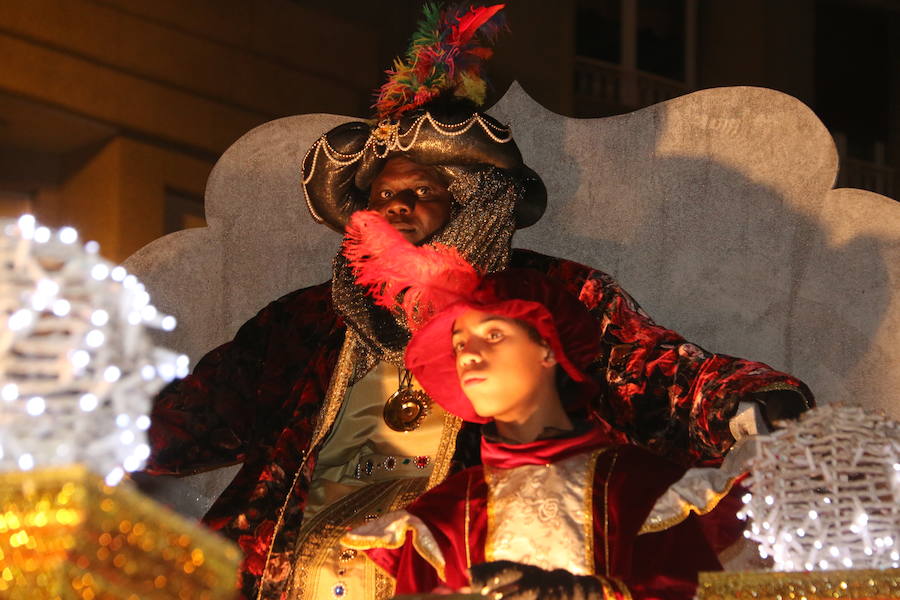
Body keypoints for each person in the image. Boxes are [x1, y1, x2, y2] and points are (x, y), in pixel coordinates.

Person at [144, 4, 812, 599]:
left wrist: (747, 402)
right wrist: (78, 418)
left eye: (425, 191)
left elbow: (657, 372)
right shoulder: (303, 323)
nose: (397, 206)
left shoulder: (542, 296)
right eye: (382, 195)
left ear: (474, 202)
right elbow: (190, 415)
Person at [341, 210, 744, 600]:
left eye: (493, 335)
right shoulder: (446, 516)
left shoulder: (640, 487)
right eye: (459, 344)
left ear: (548, 348)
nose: (468, 356)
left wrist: (582, 594)